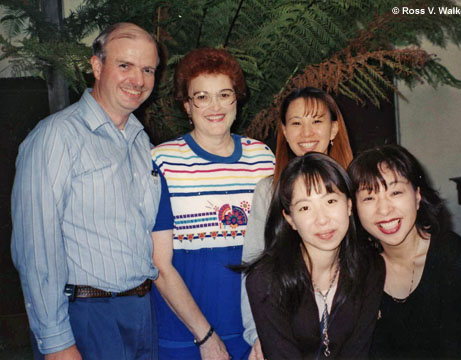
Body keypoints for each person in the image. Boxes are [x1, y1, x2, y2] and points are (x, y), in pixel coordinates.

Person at [11, 23, 163, 359]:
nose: (137, 80)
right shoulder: (56, 138)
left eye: (148, 69)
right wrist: (56, 342)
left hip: (141, 313)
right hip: (86, 316)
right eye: (125, 65)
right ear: (96, 66)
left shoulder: (141, 143)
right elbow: (36, 249)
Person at [150, 47, 275, 360]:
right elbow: (159, 265)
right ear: (187, 105)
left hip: (254, 333)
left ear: (237, 99)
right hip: (184, 336)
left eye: (225, 94)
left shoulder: (263, 159)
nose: (215, 106)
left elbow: (276, 252)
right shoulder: (163, 161)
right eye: (202, 97)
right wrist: (204, 337)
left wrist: (268, 331)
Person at [241, 87, 353, 358]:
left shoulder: (356, 184)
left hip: (350, 320)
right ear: (285, 131)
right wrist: (258, 334)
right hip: (288, 327)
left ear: (334, 129)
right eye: (296, 123)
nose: (306, 133)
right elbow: (253, 265)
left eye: (316, 121)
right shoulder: (268, 191)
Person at [348, 144, 461, 358]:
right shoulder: (358, 268)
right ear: (353, 209)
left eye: (395, 192)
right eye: (369, 197)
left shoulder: (458, 263)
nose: (384, 209)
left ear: (417, 196)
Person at [245, 152, 384, 359]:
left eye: (330, 201)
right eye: (305, 207)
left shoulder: (369, 267)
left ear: (348, 205)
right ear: (290, 219)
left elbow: (358, 351)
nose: (322, 220)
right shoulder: (265, 280)